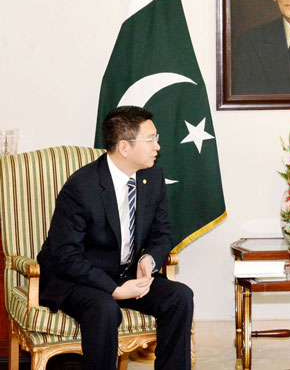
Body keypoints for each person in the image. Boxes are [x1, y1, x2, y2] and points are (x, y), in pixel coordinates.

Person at [37, 106, 193, 370]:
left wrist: (148, 259)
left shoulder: (152, 176)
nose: (158, 145)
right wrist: (115, 289)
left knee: (179, 297)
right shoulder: (81, 187)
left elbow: (162, 231)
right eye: (151, 139)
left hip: (126, 273)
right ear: (124, 147)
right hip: (77, 278)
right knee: (104, 308)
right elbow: (65, 256)